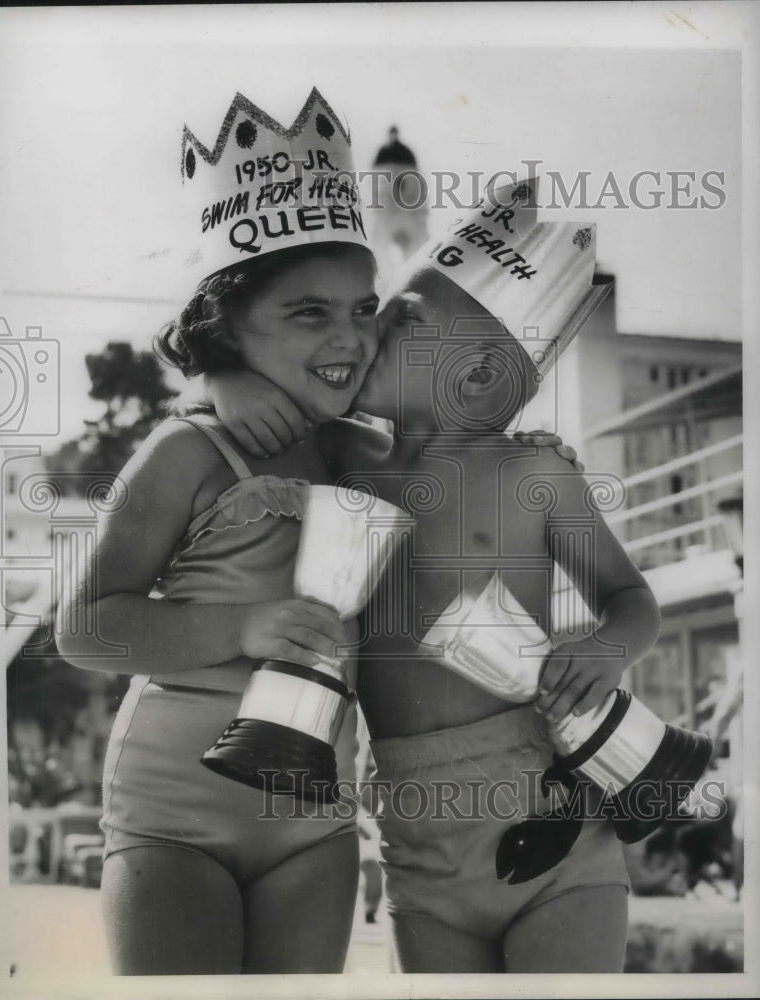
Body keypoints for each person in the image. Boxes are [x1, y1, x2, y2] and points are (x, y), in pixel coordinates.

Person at [209, 182, 662, 973]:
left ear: (480, 378)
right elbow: (254, 393)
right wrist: (225, 378)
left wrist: (609, 648)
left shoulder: (536, 476)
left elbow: (631, 599)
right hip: (414, 831)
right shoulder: (342, 454)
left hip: (549, 813)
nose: (373, 327)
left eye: (405, 316)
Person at [56, 88, 383, 975]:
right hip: (175, 818)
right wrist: (240, 629)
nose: (349, 336)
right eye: (308, 312)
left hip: (311, 823)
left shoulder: (364, 452)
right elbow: (84, 627)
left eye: (363, 308)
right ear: (230, 324)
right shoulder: (188, 450)